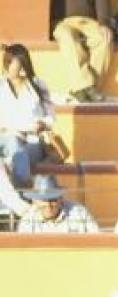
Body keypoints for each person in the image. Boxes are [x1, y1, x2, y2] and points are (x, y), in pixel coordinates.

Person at [0, 44, 56, 189]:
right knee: (13, 141)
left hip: (32, 141)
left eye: (10, 62)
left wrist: (42, 124)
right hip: (5, 139)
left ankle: (20, 195)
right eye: (6, 62)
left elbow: (51, 117)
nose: (7, 66)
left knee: (19, 156)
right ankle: (24, 193)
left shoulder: (38, 85)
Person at [52, 0, 113, 104]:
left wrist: (104, 22)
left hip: (88, 21)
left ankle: (86, 88)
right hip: (63, 22)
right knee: (67, 37)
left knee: (104, 38)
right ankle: (86, 88)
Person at [16, 173, 100, 232]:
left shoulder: (79, 212)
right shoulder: (28, 220)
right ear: (35, 201)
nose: (48, 205)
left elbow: (97, 240)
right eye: (43, 200)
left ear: (61, 199)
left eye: (53, 200)